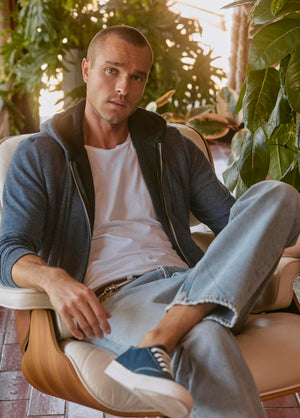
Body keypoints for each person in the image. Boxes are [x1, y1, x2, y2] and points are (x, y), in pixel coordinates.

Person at [0, 25, 299, 418]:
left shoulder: (172, 145)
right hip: (115, 298)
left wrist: (278, 236)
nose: (124, 87)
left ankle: (159, 339)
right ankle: (167, 334)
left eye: (136, 77)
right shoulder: (40, 155)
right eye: (112, 71)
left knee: (279, 195)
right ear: (87, 70)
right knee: (205, 339)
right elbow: (9, 250)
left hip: (192, 279)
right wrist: (53, 279)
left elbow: (233, 223)